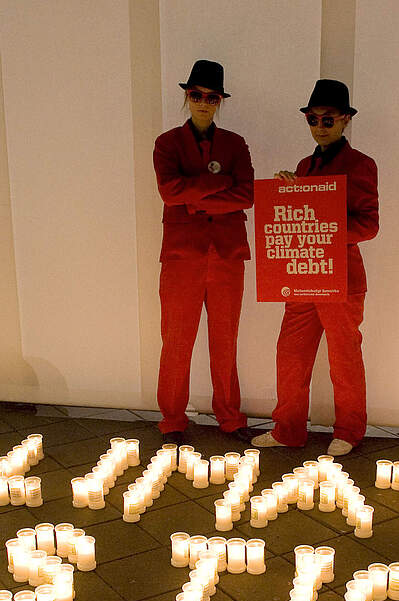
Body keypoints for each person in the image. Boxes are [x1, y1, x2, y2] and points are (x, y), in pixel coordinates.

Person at [254, 79, 378, 456]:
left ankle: (350, 430)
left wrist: (325, 225)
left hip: (341, 278)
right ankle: (288, 428)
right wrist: (286, 193)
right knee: (290, 355)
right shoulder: (304, 166)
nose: (320, 126)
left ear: (344, 121)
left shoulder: (361, 165)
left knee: (344, 358)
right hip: (304, 276)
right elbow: (297, 220)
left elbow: (369, 225)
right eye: (313, 119)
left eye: (328, 120)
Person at [153, 59, 255, 445]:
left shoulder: (235, 143)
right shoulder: (166, 143)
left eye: (211, 97)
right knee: (176, 339)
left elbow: (246, 194)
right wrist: (220, 184)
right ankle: (172, 420)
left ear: (219, 101)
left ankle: (230, 416)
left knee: (225, 339)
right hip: (182, 256)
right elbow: (168, 192)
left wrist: (195, 198)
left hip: (228, 254)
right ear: (187, 97)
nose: (203, 103)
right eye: (196, 95)